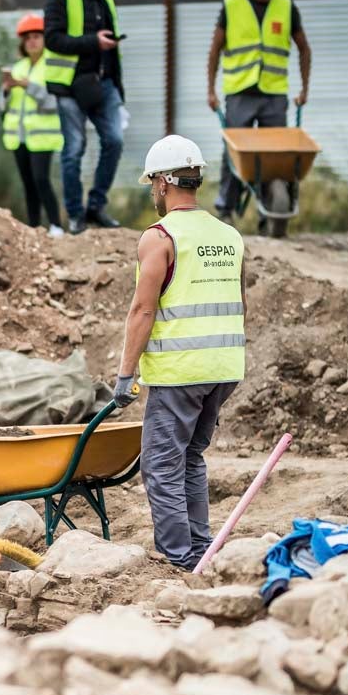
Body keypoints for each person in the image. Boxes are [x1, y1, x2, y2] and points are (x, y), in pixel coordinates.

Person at [112, 135, 246, 572]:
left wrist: (125, 374)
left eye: (153, 183)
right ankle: (201, 548)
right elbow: (238, 299)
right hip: (224, 368)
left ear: (165, 183)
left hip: (180, 371)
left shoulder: (161, 236)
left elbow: (143, 310)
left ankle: (179, 557)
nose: (153, 191)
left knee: (161, 464)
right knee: (190, 458)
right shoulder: (229, 235)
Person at [205, 0, 311, 221]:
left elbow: (304, 49)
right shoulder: (231, 5)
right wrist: (211, 90)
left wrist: (304, 89)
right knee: (234, 153)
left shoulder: (286, 8)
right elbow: (215, 49)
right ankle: (225, 209)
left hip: (274, 94)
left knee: (276, 156)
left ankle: (272, 213)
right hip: (239, 91)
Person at [44, 0, 124, 234]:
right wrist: (93, 41)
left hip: (103, 84)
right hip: (69, 86)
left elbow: (113, 50)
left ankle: (96, 206)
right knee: (74, 150)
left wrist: (118, 87)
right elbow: (52, 39)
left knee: (114, 141)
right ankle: (76, 215)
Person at [3, 12, 65, 237]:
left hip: (42, 136)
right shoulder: (17, 67)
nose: (32, 41)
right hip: (19, 136)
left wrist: (28, 86)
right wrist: (7, 91)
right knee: (28, 183)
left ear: (44, 38)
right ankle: (33, 227)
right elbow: (3, 106)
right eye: (27, 37)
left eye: (36, 36)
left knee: (41, 179)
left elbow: (52, 102)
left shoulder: (52, 67)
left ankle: (56, 225)